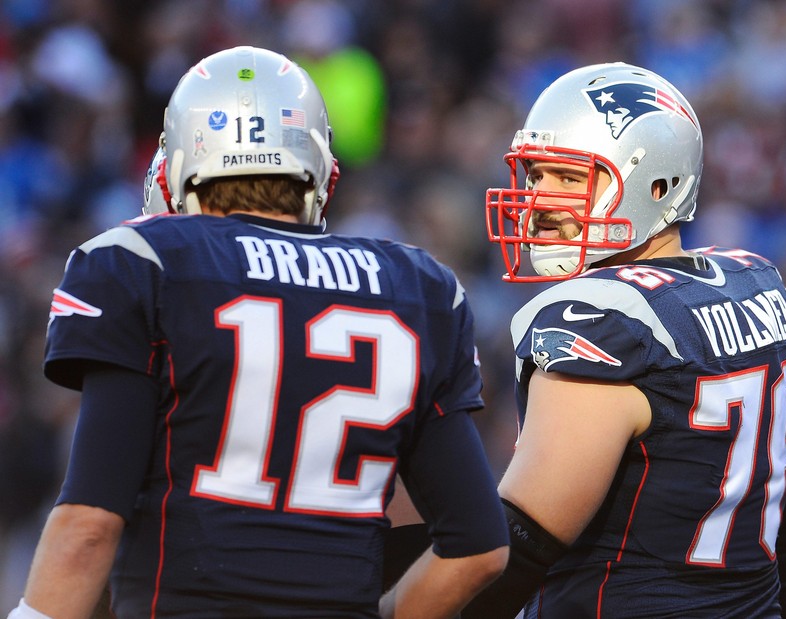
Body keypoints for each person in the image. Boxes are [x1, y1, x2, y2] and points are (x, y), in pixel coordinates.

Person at [8, 45, 508, 619]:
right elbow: (479, 548)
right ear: (319, 170)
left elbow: (90, 525)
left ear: (179, 167)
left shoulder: (143, 262)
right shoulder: (418, 286)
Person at [462, 62, 786, 618]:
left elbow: (523, 542)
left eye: (569, 177)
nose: (539, 199)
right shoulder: (756, 281)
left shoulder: (602, 316)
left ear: (656, 184)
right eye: (534, 175)